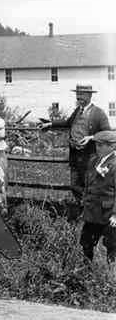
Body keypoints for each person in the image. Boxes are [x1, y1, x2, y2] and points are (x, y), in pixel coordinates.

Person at [38, 85, 110, 201]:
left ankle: (89, 212)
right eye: (77, 94)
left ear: (90, 96)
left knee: (88, 186)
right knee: (74, 186)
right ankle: (84, 207)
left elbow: (107, 133)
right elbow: (67, 122)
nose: (78, 97)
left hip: (89, 157)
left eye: (82, 94)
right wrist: (50, 124)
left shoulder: (98, 113)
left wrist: (91, 137)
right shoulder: (77, 111)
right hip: (75, 156)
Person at [79, 130, 116, 263]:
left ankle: (111, 273)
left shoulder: (114, 164)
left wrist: (115, 214)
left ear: (111, 146)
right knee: (86, 242)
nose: (97, 148)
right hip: (92, 211)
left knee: (111, 244)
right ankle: (86, 268)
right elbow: (89, 183)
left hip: (107, 213)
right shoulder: (94, 160)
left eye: (101, 145)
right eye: (97, 145)